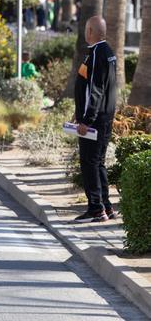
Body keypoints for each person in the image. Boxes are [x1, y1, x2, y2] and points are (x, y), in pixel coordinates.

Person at [73, 16, 117, 223]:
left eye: (86, 29)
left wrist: (86, 119)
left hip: (96, 119)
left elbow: (96, 90)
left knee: (90, 162)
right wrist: (79, 112)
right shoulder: (107, 51)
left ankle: (96, 208)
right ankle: (106, 207)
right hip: (105, 117)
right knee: (98, 162)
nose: (85, 32)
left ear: (90, 31)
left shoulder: (98, 53)